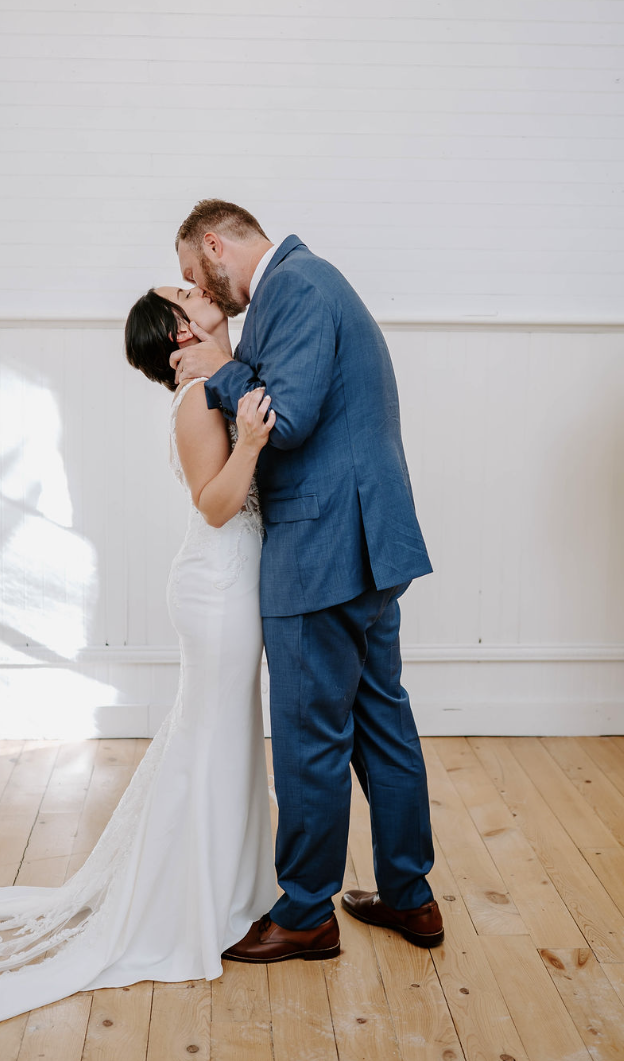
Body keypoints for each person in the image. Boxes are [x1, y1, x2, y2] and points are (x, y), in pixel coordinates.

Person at [0, 285, 279, 1031]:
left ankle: (230, 892)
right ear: (177, 332)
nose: (199, 293)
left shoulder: (216, 382)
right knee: (211, 740)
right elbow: (213, 502)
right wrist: (249, 445)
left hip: (230, 584)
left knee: (224, 738)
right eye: (184, 294)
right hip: (216, 589)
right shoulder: (198, 396)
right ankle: (189, 906)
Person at [170, 198, 443, 961]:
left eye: (197, 274)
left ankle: (305, 913)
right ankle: (409, 898)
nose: (202, 291)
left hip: (321, 550)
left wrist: (219, 369)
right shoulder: (314, 281)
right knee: (382, 725)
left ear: (217, 245)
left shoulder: (293, 286)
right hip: (365, 549)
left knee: (309, 740)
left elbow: (283, 418)